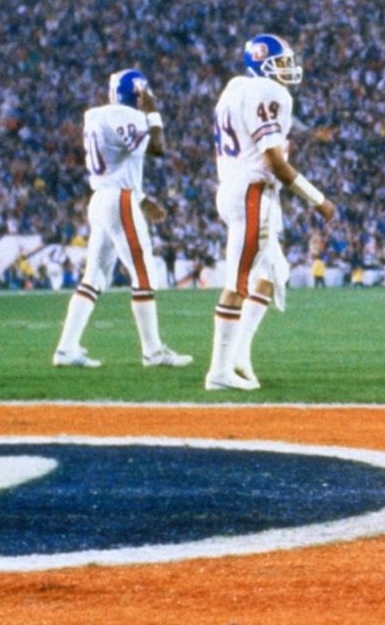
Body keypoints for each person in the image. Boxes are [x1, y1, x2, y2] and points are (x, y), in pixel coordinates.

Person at [206, 34, 337, 390]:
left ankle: (239, 354)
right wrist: (318, 199)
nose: (287, 69)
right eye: (280, 62)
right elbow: (275, 162)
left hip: (236, 187)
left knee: (274, 272)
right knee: (239, 281)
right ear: (262, 63)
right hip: (252, 191)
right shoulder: (269, 92)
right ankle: (219, 370)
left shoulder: (234, 89)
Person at [53, 68, 192, 370]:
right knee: (144, 276)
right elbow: (157, 148)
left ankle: (65, 348)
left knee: (94, 277)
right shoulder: (127, 116)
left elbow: (117, 167)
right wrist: (152, 112)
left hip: (102, 198)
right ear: (138, 92)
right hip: (119, 199)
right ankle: (153, 351)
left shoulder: (94, 116)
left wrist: (141, 198)